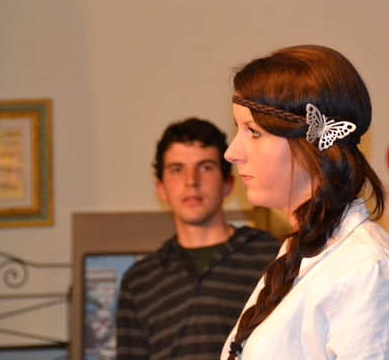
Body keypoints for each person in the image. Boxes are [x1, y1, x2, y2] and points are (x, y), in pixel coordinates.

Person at [221, 45, 389, 359]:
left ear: (311, 144)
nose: (231, 153)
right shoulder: (298, 255)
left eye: (254, 132)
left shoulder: (370, 269)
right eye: (238, 129)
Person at [116, 118, 281, 360]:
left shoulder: (274, 256)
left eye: (205, 167)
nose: (191, 181)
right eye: (177, 169)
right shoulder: (139, 281)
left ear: (227, 183)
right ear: (161, 189)